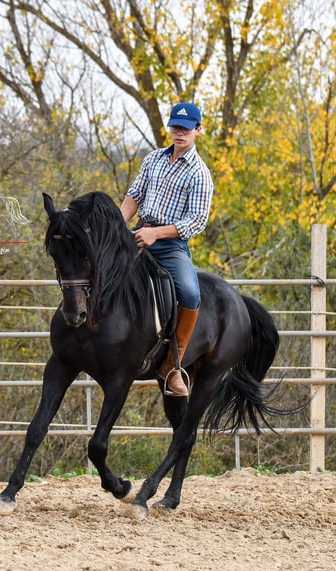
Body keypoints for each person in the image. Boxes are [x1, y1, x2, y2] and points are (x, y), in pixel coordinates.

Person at [120, 102, 214, 397]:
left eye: (185, 129)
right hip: (139, 232)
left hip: (170, 243)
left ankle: (173, 366)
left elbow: (196, 220)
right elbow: (134, 195)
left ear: (198, 130)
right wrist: (117, 226)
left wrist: (155, 234)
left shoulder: (200, 173)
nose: (179, 133)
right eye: (175, 127)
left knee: (190, 292)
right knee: (100, 266)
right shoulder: (153, 159)